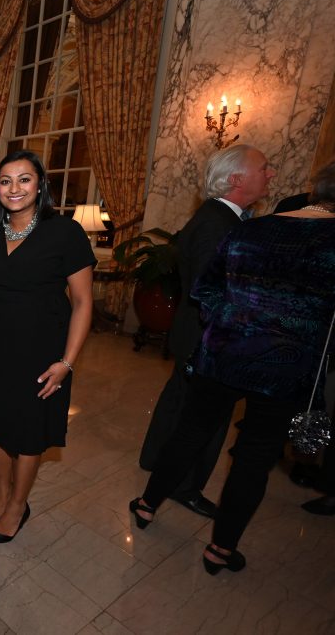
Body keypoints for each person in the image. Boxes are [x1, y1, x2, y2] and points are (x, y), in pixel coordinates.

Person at [130, 160, 335, 574]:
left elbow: (206, 290)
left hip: (225, 353)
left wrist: (238, 324)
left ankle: (148, 504)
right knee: (254, 458)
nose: (273, 174)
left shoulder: (251, 229)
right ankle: (220, 550)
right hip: (287, 365)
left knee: (190, 432)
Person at [139, 145, 275, 518]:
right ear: (236, 179)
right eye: (264, 168)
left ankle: (156, 460)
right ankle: (184, 485)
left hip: (194, 332)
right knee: (205, 419)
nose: (271, 174)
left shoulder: (220, 218)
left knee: (179, 403)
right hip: (208, 338)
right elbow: (212, 290)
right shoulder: (218, 224)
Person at [0, 151, 95, 543]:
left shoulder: (64, 232)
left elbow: (82, 302)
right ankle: (2, 494)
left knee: (28, 432)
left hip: (43, 350)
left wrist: (67, 362)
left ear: (41, 185)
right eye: (6, 180)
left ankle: (17, 506)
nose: (14, 188)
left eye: (24, 179)